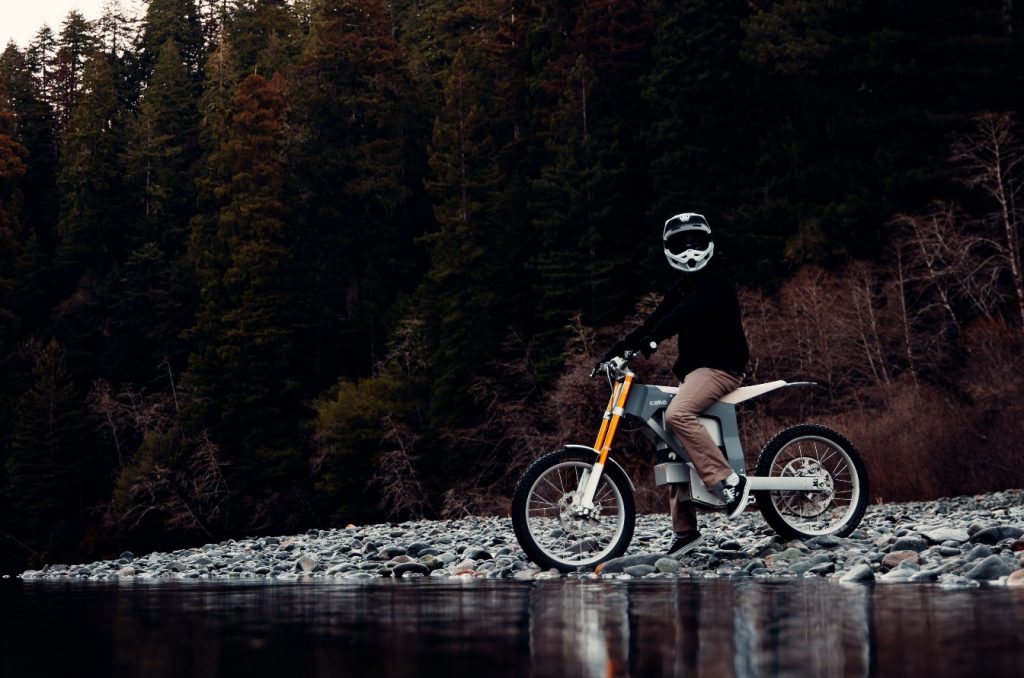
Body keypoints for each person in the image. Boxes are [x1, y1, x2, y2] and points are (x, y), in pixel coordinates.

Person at [599, 212, 750, 557]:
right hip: (695, 374)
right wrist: (612, 354)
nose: (690, 251)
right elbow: (652, 322)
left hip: (721, 368)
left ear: (709, 242)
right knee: (667, 437)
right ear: (669, 249)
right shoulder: (680, 287)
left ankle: (729, 481)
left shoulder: (715, 281)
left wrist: (652, 342)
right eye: (682, 244)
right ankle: (685, 532)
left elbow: (682, 315)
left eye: (696, 242)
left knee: (678, 413)